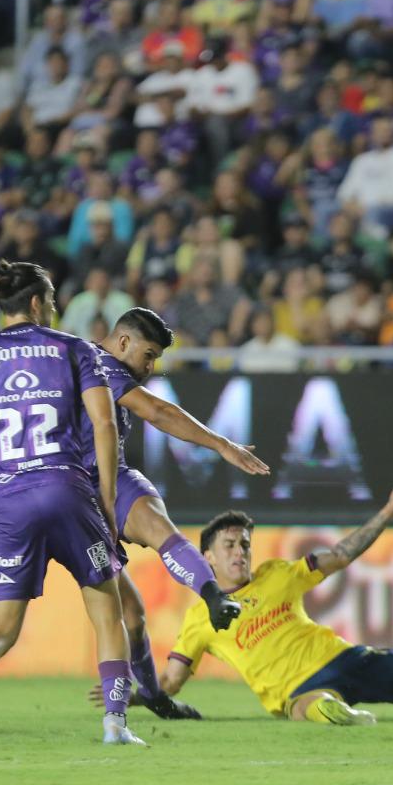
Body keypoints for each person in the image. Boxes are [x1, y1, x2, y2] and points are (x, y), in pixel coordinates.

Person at [0, 262, 151, 746]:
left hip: (9, 502)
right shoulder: (75, 350)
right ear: (36, 304)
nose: (52, 311)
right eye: (50, 303)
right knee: (106, 613)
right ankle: (115, 722)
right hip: (67, 491)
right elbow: (104, 423)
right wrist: (109, 499)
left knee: (0, 631)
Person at [76, 308, 266, 719]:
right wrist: (221, 445)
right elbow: (159, 412)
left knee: (135, 615)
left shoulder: (80, 360)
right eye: (148, 355)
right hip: (78, 490)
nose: (149, 367)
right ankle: (211, 597)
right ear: (123, 342)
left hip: (102, 480)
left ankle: (208, 605)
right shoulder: (100, 364)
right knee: (127, 613)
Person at [158, 482, 393, 724]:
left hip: (346, 658)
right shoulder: (199, 618)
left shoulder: (277, 574)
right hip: (301, 688)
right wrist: (130, 698)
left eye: (244, 543)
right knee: (313, 707)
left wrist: (387, 512)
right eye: (229, 545)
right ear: (208, 557)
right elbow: (172, 681)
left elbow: (340, 555)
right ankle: (345, 714)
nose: (240, 552)